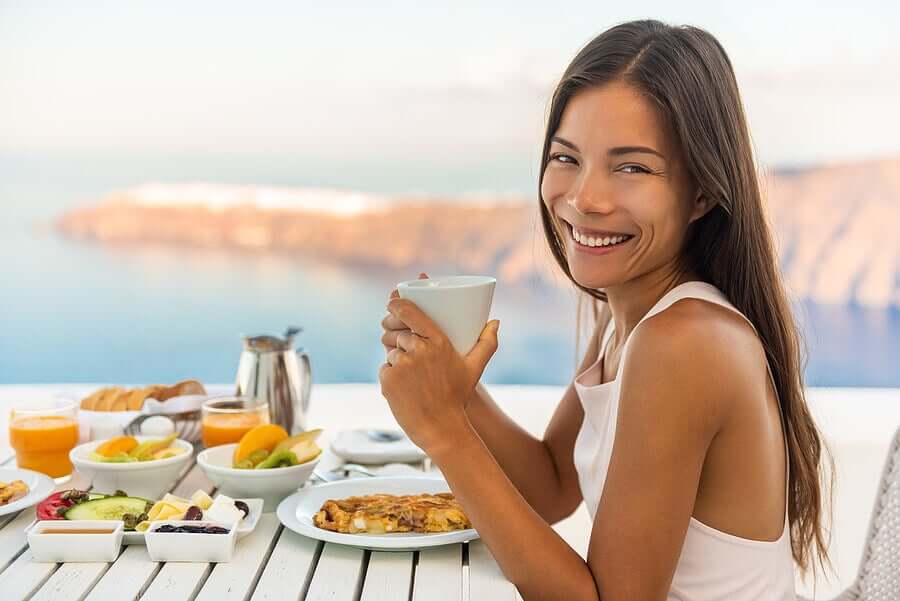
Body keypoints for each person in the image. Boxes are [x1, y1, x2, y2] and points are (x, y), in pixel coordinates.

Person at [379, 19, 829, 601]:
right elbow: (552, 484)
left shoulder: (686, 342)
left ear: (702, 192)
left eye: (632, 167)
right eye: (567, 158)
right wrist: (452, 384)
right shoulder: (633, 317)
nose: (585, 198)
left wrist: (442, 430)